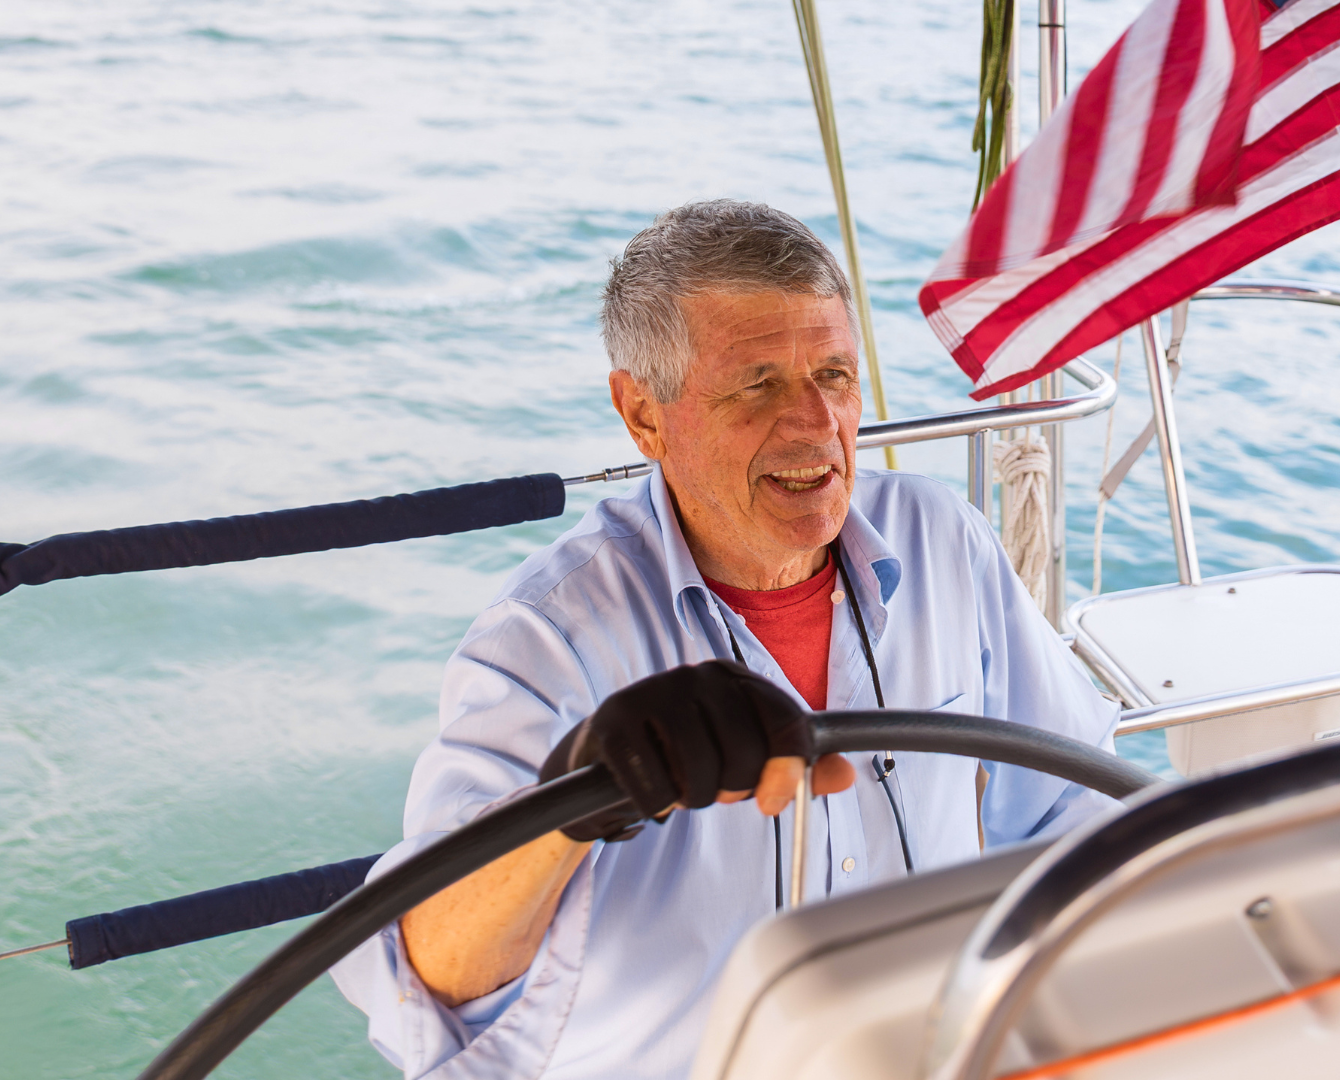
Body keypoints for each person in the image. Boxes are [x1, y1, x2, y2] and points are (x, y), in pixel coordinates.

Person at [331, 200, 1121, 1080]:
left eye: (834, 373)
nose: (816, 422)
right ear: (644, 416)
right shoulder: (550, 640)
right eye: (757, 384)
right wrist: (570, 801)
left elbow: (1074, 810)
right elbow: (424, 986)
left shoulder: (942, 541)